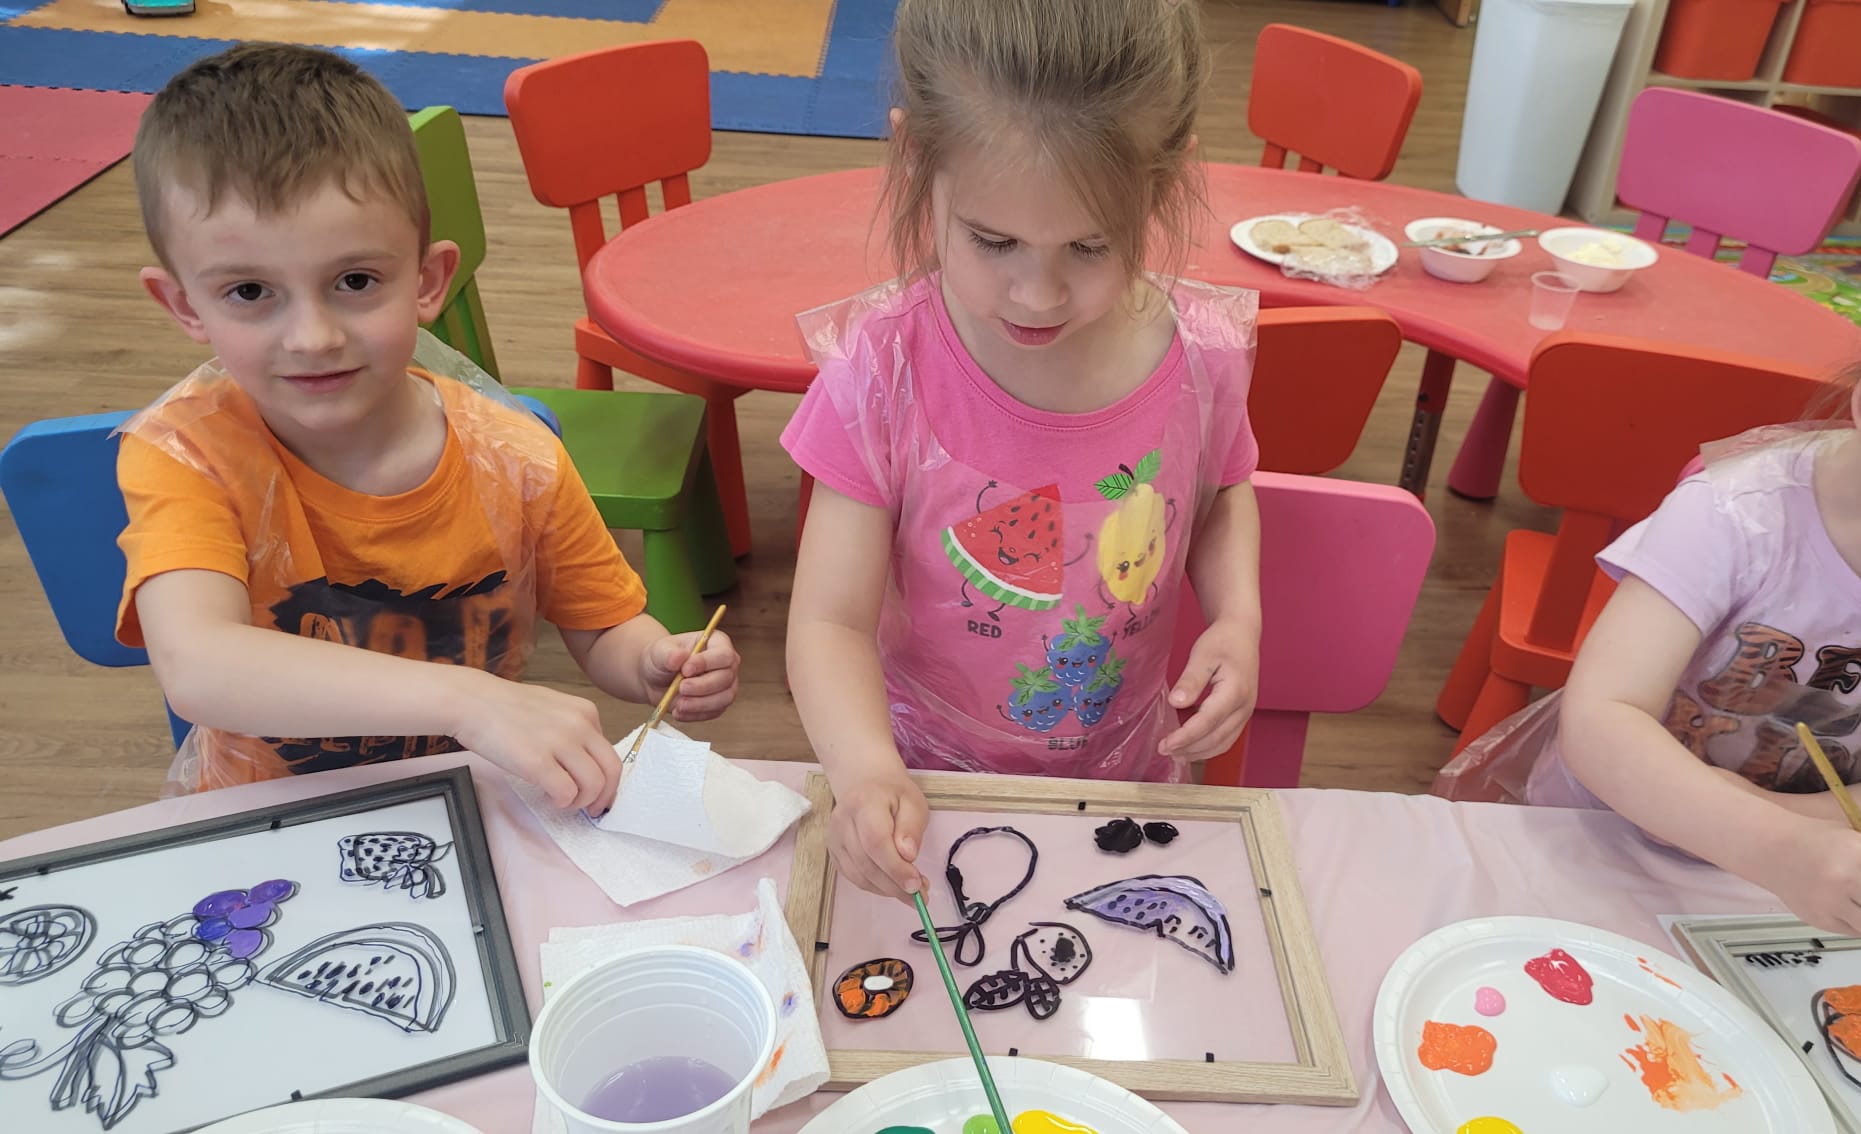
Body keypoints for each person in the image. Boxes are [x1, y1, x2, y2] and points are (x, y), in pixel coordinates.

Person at [1435, 106, 1861, 945]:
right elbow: (1602, 720)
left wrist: (1796, 844)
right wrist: (1771, 842)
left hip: (1794, 898)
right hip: (1605, 853)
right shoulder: (1738, 518)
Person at [117, 44, 739, 808]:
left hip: (468, 802)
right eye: (250, 292)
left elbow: (605, 628)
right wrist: (469, 701)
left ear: (427, 280)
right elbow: (199, 665)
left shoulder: (517, 459)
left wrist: (652, 663)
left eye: (355, 281)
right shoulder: (188, 455)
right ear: (184, 305)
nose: (312, 337)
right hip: (269, 815)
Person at [783, 0, 1262, 899]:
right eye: (994, 241)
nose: (1038, 294)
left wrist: (1238, 615)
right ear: (915, 160)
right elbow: (828, 623)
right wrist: (865, 770)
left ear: (1161, 186)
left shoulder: (1202, 355)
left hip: (1130, 778)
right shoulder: (882, 370)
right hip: (924, 788)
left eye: (1090, 245)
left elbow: (1223, 489)